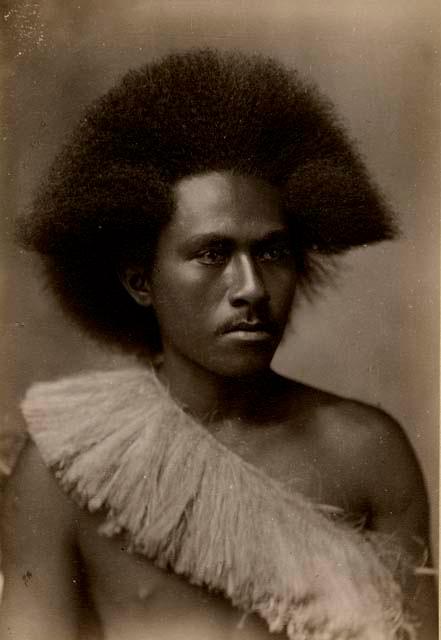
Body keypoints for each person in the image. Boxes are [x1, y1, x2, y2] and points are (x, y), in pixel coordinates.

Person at [0, 49, 436, 640]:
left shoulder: (368, 453)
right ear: (139, 282)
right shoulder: (64, 469)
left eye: (272, 252)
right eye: (212, 254)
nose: (251, 288)